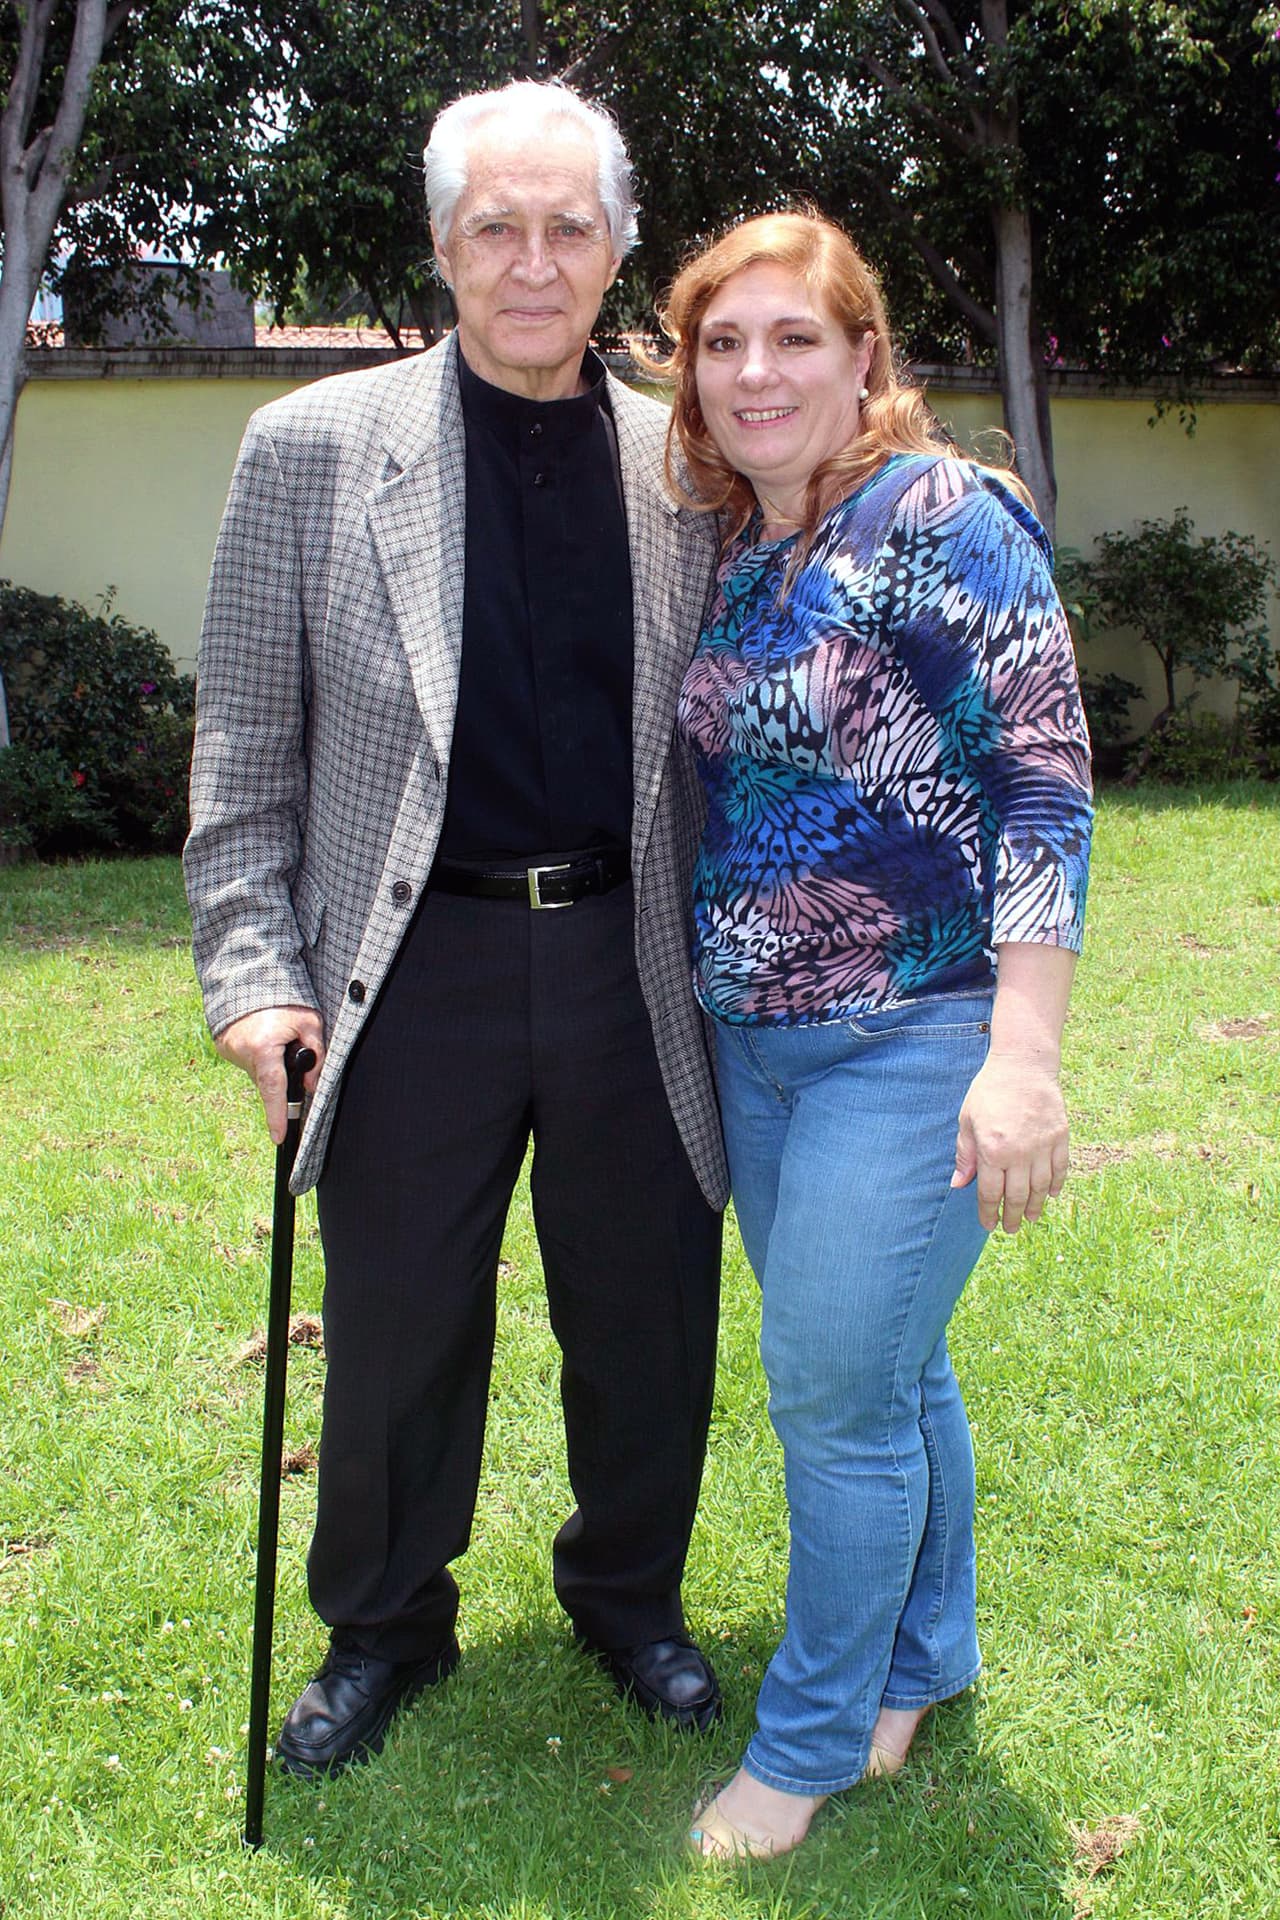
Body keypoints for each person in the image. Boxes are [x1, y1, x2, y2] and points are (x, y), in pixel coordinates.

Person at [183, 79, 730, 1781]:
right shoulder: (313, 452)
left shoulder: (688, 461)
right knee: (406, 1311)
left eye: (571, 227)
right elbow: (244, 753)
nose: (533, 261)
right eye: (498, 225)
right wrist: (252, 981)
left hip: (633, 957)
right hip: (408, 964)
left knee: (645, 1305)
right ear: (440, 245)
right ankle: (383, 1621)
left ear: (620, 250)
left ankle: (630, 1597)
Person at [652, 211, 1093, 1858]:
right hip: (756, 1044)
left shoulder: (941, 515)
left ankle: (815, 1744)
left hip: (910, 1034)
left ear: (864, 362)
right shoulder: (740, 540)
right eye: (723, 343)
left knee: (829, 1397)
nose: (756, 372)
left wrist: (1025, 1056)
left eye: (794, 339)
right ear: (692, 376)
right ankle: (923, 1657)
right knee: (892, 1371)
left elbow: (1044, 777)